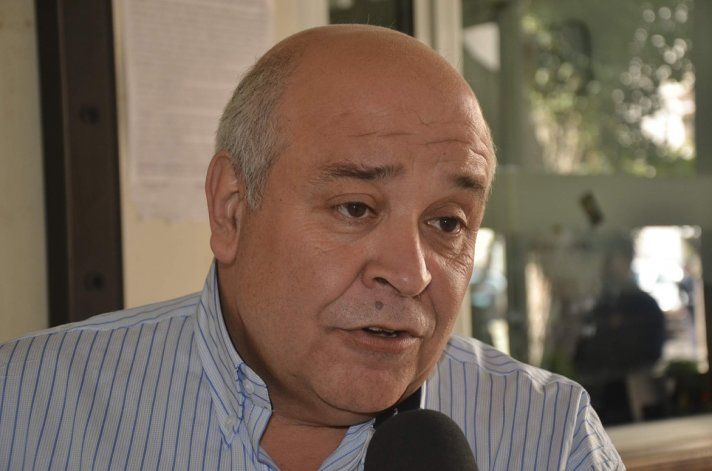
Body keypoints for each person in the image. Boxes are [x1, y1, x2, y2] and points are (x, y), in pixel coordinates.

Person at [0, 25, 622, 470]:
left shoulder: (550, 435)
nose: (411, 274)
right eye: (355, 209)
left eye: (447, 222)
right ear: (231, 209)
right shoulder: (24, 406)